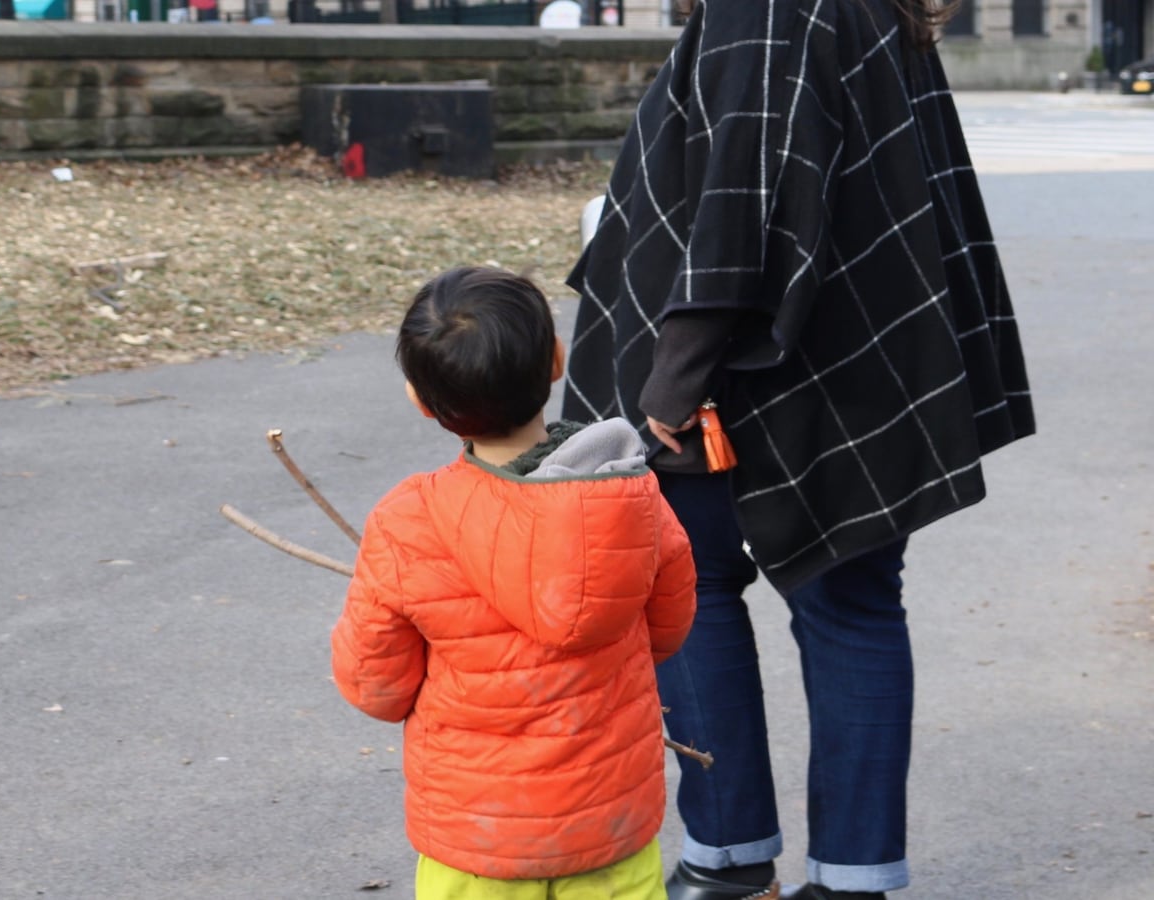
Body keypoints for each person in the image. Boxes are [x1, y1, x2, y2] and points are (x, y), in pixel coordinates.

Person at [561, 2, 1035, 899]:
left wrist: (675, 376)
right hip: (857, 353)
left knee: (691, 588)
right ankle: (848, 876)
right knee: (851, 604)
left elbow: (743, 195)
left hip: (757, 369)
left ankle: (728, 857)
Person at [331, 266, 699, 900]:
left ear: (421, 400)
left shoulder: (408, 521)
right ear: (556, 361)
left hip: (478, 837)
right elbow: (666, 632)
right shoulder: (632, 501)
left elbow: (376, 688)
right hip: (610, 825)